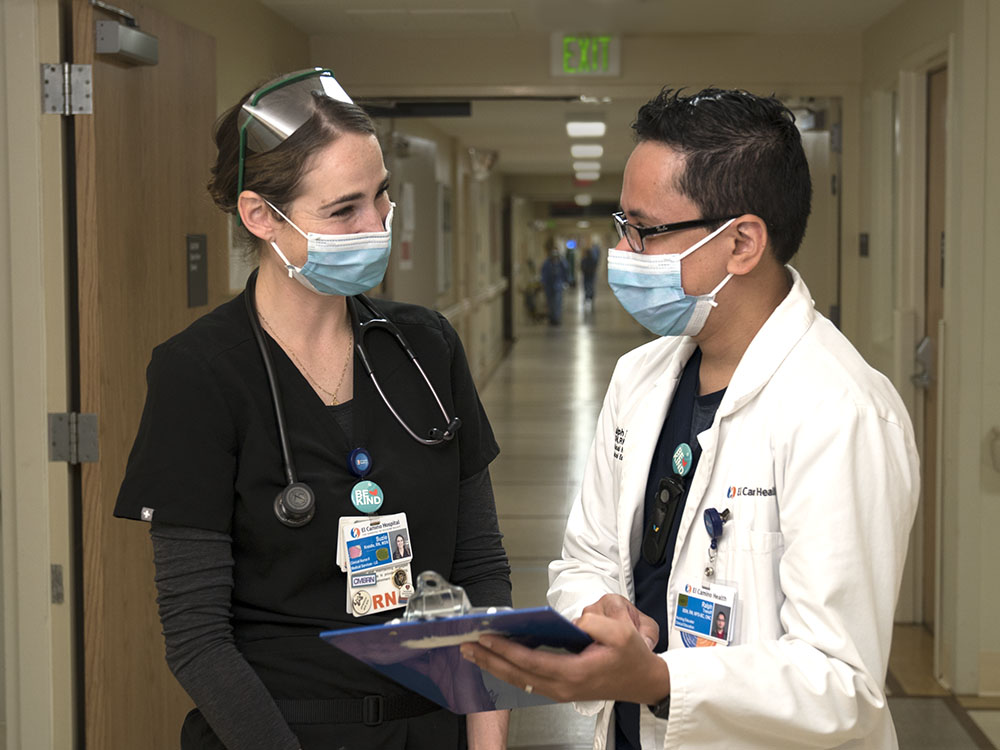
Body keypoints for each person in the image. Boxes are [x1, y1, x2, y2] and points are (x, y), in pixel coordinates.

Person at [461, 87, 919, 749]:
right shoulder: (639, 379)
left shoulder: (842, 413)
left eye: (644, 231)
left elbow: (841, 682)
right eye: (622, 225)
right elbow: (585, 559)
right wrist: (600, 614)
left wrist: (658, 679)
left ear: (742, 243)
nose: (623, 251)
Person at [114, 68, 511, 750]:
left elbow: (482, 570)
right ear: (261, 216)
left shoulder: (424, 346)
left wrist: (487, 742)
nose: (377, 223)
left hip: (433, 727)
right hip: (279, 730)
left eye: (381, 196)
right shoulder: (200, 374)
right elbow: (197, 638)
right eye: (344, 209)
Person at [540, 242, 569, 325]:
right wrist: (543, 283)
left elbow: (565, 272)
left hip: (558, 286)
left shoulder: (562, 262)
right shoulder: (547, 263)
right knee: (550, 303)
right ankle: (552, 318)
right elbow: (544, 274)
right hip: (549, 286)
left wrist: (566, 282)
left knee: (557, 302)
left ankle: (556, 318)